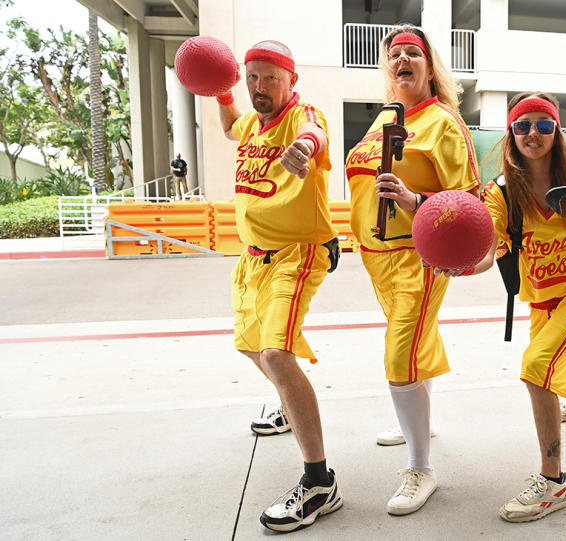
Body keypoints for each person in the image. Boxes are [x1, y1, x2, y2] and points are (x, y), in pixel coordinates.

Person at [437, 92, 566, 522]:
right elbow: (486, 252)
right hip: (541, 299)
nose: (533, 134)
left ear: (557, 131)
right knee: (555, 360)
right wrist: (459, 264)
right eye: (523, 125)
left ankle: (554, 482)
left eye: (544, 124)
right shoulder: (501, 193)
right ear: (511, 132)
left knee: (537, 366)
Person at [344, 25, 481, 516]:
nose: (401, 59)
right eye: (394, 54)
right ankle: (419, 422)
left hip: (417, 256)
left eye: (412, 54)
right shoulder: (386, 117)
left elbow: (469, 201)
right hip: (374, 257)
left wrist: (415, 200)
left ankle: (420, 466)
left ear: (429, 67)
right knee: (412, 342)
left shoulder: (444, 123)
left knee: (400, 354)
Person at [217, 40, 343, 532]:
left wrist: (305, 147)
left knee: (276, 354)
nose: (260, 87)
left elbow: (316, 133)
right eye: (253, 77)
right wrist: (219, 90)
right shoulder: (250, 121)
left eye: (271, 78)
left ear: (291, 81)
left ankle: (319, 483)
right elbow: (230, 127)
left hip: (298, 252)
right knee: (249, 346)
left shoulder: (303, 115)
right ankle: (292, 407)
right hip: (253, 258)